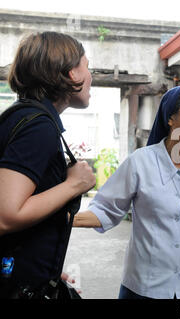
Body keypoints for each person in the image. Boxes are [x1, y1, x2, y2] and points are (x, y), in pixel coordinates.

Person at [73, 83, 180, 299]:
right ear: (171, 118)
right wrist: (61, 217)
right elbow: (105, 209)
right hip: (144, 286)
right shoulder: (140, 162)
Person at [0, 32, 96, 298]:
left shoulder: (27, 117)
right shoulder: (38, 126)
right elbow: (6, 216)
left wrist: (44, 270)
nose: (91, 76)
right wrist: (74, 184)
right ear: (70, 74)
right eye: (87, 67)